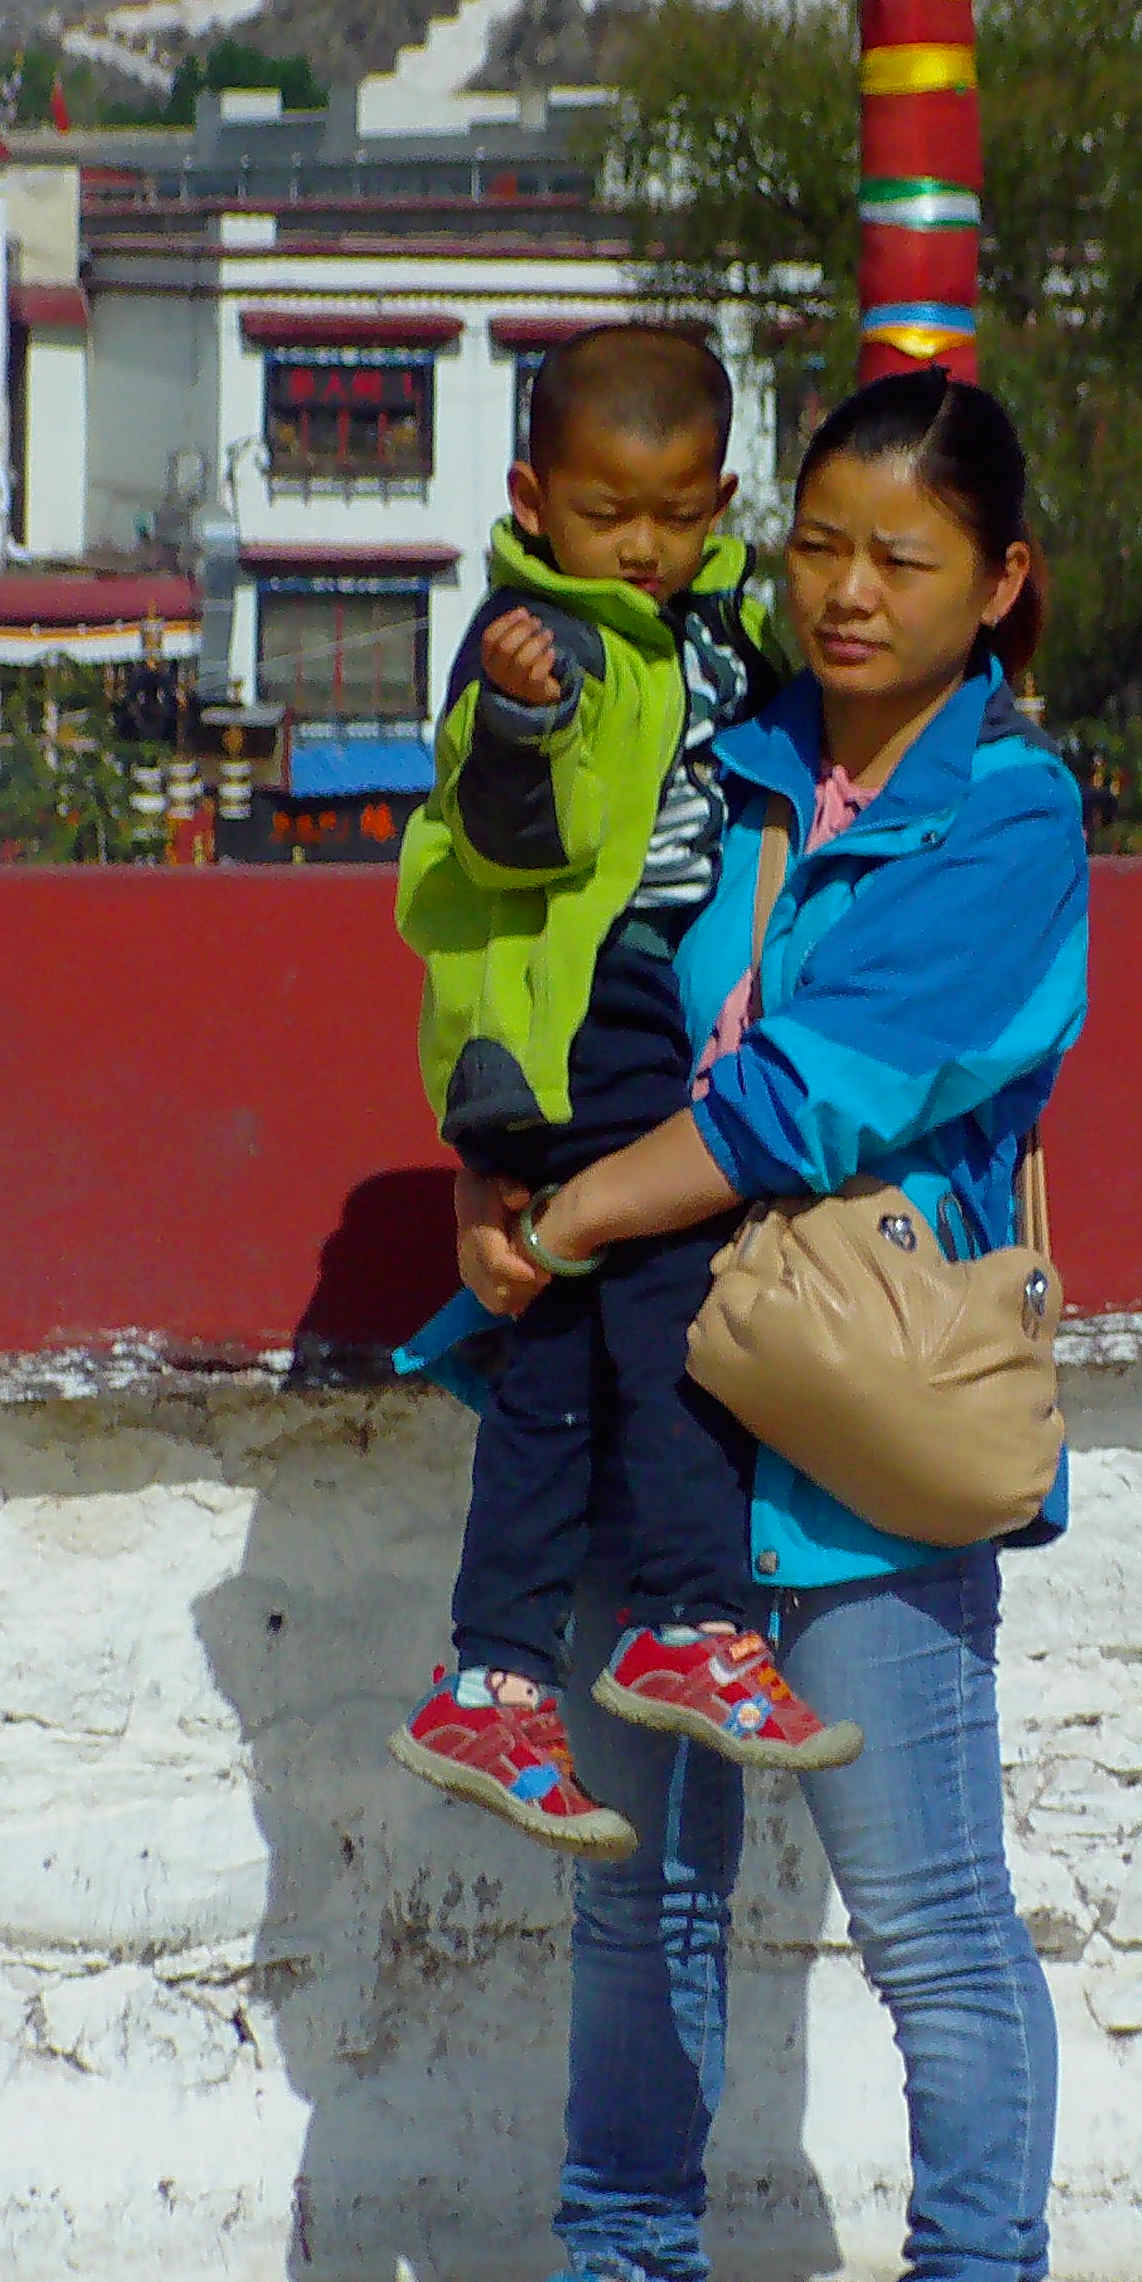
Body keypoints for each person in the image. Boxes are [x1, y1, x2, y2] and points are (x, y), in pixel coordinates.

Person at [418, 368, 1086, 2282]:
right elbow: (551, 955)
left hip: (861, 1430)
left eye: (903, 558)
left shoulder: (1010, 818)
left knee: (930, 1920)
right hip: (661, 1404)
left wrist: (568, 1221)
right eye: (815, 545)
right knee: (639, 1894)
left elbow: (812, 1096)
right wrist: (496, 1163)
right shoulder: (718, 739)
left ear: (1002, 582)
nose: (846, 593)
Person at [394, 325, 861, 1854]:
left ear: (719, 503)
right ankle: (688, 1619)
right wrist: (523, 718)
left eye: (674, 516)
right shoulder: (537, 638)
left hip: (605, 1003)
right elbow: (500, 834)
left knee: (561, 1352)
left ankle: (495, 1676)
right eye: (605, 517)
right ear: (532, 501)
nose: (642, 549)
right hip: (579, 1004)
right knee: (675, 1286)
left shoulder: (709, 620)